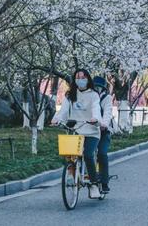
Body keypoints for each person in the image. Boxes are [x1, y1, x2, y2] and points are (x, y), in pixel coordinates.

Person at [52, 69, 102, 198]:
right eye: (78, 77)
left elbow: (96, 108)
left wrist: (95, 118)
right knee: (70, 154)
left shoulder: (93, 95)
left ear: (88, 79)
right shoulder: (70, 95)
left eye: (83, 77)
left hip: (91, 131)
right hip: (76, 130)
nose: (81, 79)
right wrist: (57, 119)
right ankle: (72, 175)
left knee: (88, 154)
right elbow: (64, 109)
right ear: (75, 79)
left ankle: (94, 184)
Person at [93, 75, 114, 194]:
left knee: (102, 154)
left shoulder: (106, 98)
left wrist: (104, 124)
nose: (96, 89)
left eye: (99, 87)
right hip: (88, 130)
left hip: (103, 131)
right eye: (94, 87)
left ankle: (104, 182)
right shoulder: (87, 97)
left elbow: (107, 112)